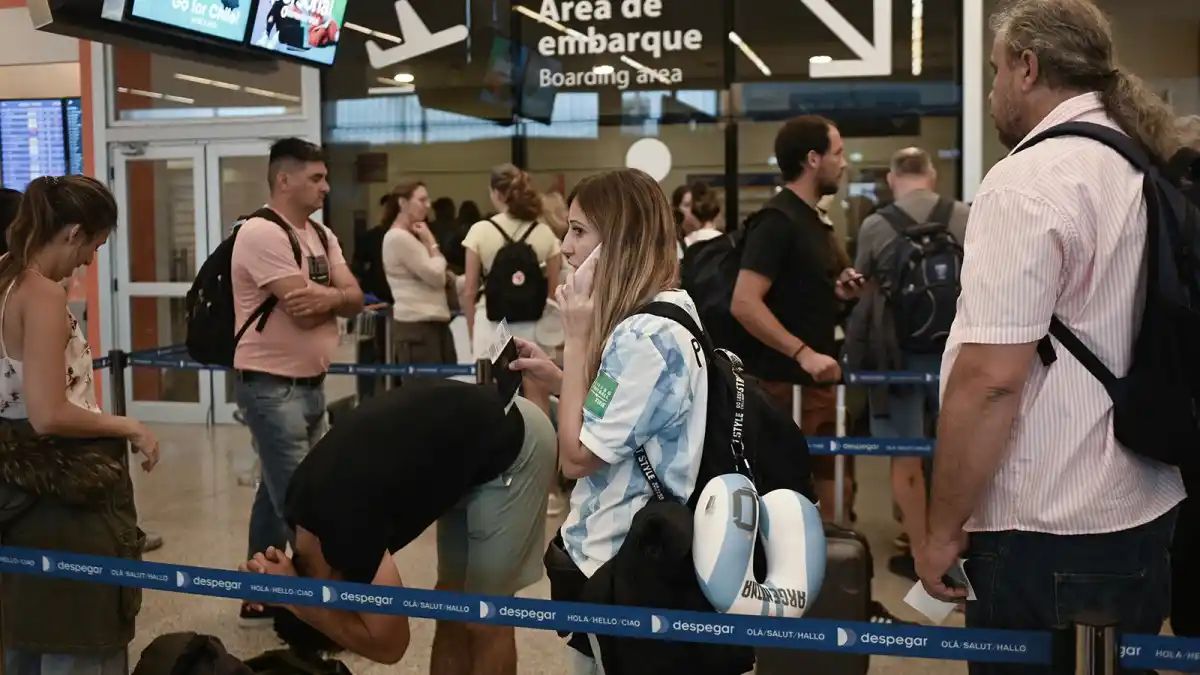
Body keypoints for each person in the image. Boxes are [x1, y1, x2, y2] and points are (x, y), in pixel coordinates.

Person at [916, 1, 1185, 671]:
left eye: (995, 70)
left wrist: (941, 529)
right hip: (1144, 504)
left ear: (1028, 67)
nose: (991, 91)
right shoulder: (1139, 162)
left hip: (1047, 527)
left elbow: (989, 380)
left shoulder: (1029, 181)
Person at [508, 168, 711, 673]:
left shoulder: (643, 335)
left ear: (620, 240)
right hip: (626, 555)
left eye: (579, 231)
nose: (566, 247)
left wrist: (576, 340)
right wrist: (561, 377)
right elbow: (625, 408)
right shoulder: (670, 310)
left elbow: (576, 457)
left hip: (622, 557)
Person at [240, 380, 557, 672]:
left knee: (488, 617)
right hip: (470, 447)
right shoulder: (301, 514)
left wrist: (300, 603)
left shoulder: (343, 532)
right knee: (450, 607)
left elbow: (391, 646)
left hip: (517, 442)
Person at [0, 175, 160, 675]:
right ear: (72, 232)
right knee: (85, 638)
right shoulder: (43, 295)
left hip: (18, 484)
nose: (89, 261)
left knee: (28, 633)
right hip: (63, 488)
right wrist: (128, 427)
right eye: (92, 246)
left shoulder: (5, 278)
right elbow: (50, 412)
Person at [231, 138, 364, 623]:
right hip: (270, 386)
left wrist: (330, 297)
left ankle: (258, 590)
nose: (326, 186)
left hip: (310, 384)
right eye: (316, 178)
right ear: (283, 179)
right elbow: (305, 312)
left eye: (325, 177)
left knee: (276, 492)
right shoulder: (262, 234)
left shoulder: (321, 234)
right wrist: (337, 298)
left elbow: (355, 295)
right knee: (306, 499)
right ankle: (322, 607)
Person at [730, 115, 865, 523]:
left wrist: (837, 293)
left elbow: (795, 294)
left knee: (833, 491)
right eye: (837, 153)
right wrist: (802, 353)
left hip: (815, 386)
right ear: (812, 159)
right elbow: (745, 303)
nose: (844, 163)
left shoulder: (813, 221)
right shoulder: (777, 221)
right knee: (796, 497)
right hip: (786, 388)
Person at [851, 147, 970, 580]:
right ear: (932, 175)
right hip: (957, 355)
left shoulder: (875, 225)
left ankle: (922, 555)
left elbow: (862, 286)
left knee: (905, 459)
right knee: (957, 451)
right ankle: (957, 547)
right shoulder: (964, 215)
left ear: (891, 177)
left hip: (896, 358)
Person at [380, 179, 456, 374]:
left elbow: (437, 271)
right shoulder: (398, 238)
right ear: (403, 203)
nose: (428, 205)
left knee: (447, 391)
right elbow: (436, 275)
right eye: (422, 200)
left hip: (432, 324)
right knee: (426, 396)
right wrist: (432, 242)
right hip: (417, 328)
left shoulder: (411, 237)